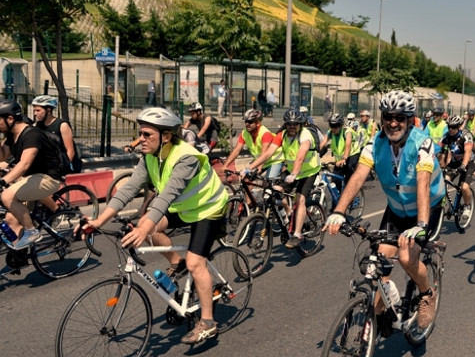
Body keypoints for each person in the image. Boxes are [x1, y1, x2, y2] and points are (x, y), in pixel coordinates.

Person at [82, 107, 228, 345]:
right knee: (147, 225)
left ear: (166, 136)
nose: (141, 139)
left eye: (147, 134)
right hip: (185, 207)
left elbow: (166, 197)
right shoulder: (150, 157)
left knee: (195, 262)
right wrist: (98, 220)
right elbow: (128, 189)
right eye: (140, 133)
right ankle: (175, 262)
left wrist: (142, 229)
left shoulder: (186, 157)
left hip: (207, 208)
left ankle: (208, 322)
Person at [325, 90, 446, 331]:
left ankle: (426, 294)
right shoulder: (375, 144)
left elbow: (422, 182)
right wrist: (338, 211)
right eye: (388, 117)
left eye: (399, 117)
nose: (393, 122)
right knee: (378, 262)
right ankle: (380, 314)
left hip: (427, 209)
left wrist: (420, 225)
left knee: (405, 257)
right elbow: (359, 175)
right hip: (396, 209)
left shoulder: (422, 143)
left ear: (410, 119)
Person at [243, 109, 321, 249]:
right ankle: (290, 214)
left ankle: (297, 234)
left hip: (309, 171)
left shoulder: (305, 135)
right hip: (292, 171)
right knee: (274, 190)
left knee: (300, 199)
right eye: (289, 124)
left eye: (295, 124)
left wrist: (294, 174)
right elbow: (267, 154)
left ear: (300, 125)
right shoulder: (282, 135)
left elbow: (300, 157)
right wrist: (250, 167)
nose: (292, 127)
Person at [0, 100, 63, 250]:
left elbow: (24, 164)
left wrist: (3, 181)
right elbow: (2, 156)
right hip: (31, 178)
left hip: (48, 178)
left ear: (10, 119)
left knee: (7, 196)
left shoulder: (32, 135)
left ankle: (32, 231)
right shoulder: (12, 136)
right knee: (11, 219)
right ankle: (20, 254)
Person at [222, 109, 283, 180]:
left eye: (250, 122)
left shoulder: (265, 134)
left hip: (274, 160)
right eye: (246, 121)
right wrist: (225, 165)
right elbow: (236, 150)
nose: (247, 124)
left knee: (268, 184)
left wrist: (259, 168)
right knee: (246, 179)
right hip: (259, 160)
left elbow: (264, 154)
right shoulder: (244, 133)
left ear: (258, 123)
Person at [438, 115, 474, 224]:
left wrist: (463, 166)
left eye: (453, 127)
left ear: (458, 127)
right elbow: (437, 149)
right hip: (453, 163)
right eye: (449, 127)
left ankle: (467, 206)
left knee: (464, 187)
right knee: (443, 181)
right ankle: (443, 204)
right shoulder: (446, 136)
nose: (451, 130)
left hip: (467, 164)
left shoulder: (466, 135)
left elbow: (467, 152)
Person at [32, 95, 77, 171]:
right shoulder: (36, 125)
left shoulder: (62, 125)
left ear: (48, 110)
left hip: (59, 167)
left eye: (38, 110)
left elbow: (70, 151)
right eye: (34, 111)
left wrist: (62, 168)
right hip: (42, 166)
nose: (35, 113)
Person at [318, 113, 361, 190]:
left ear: (341, 125)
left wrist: (344, 159)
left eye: (335, 126)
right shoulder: (330, 132)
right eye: (331, 126)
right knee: (335, 180)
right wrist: (316, 154)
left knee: (348, 171)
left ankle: (350, 192)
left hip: (352, 154)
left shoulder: (347, 132)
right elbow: (323, 143)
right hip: (340, 159)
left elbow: (348, 146)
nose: (333, 129)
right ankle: (337, 200)